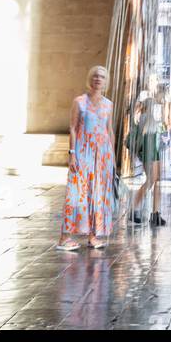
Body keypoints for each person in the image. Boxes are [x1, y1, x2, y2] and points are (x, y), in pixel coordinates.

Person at [57, 65, 115, 250]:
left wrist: (112, 156)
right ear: (90, 79)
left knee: (97, 194)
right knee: (77, 193)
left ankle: (93, 235)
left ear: (106, 82)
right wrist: (72, 154)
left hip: (102, 154)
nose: (98, 79)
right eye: (95, 76)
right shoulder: (80, 102)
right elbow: (73, 128)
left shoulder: (108, 104)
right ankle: (64, 238)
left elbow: (110, 129)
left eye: (102, 77)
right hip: (83, 152)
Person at [132, 88, 166, 227]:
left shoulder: (150, 118)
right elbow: (143, 137)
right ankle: (134, 208)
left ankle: (156, 213)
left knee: (156, 180)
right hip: (149, 152)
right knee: (151, 180)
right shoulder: (145, 118)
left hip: (154, 151)